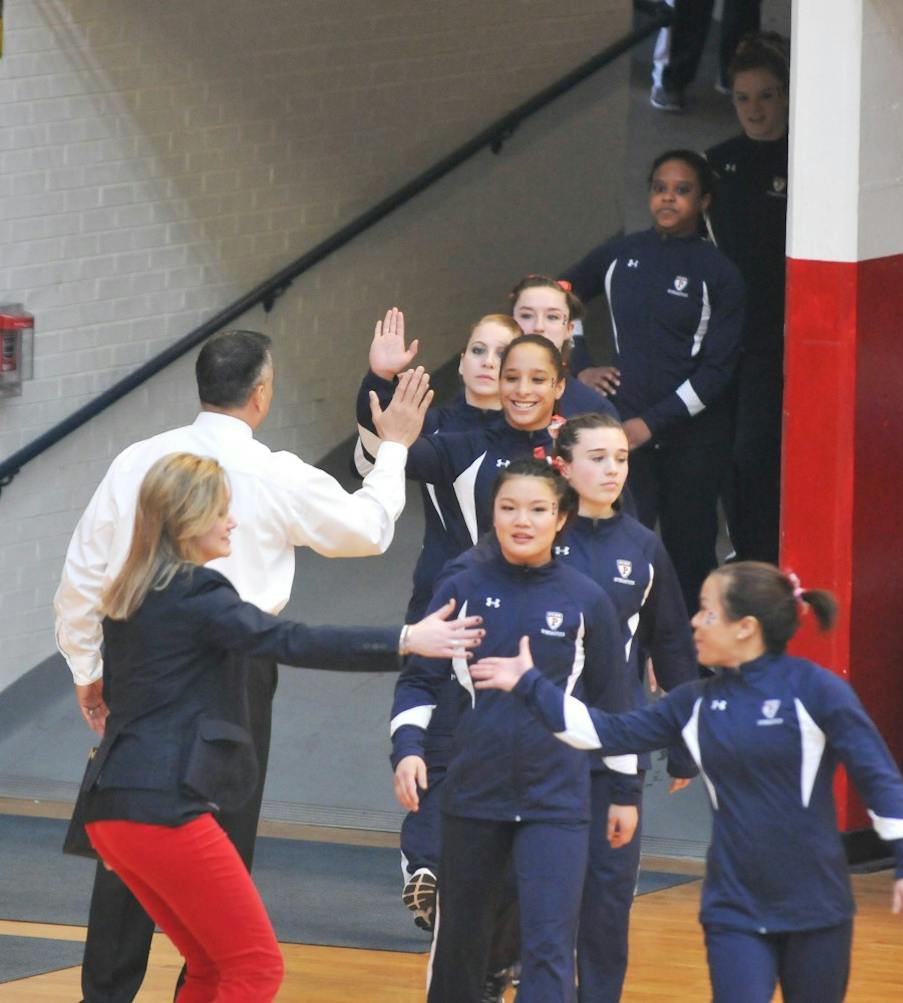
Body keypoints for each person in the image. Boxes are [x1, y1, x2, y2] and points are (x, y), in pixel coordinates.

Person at [54, 329, 442, 1003]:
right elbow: (367, 530)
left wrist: (87, 668)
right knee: (217, 868)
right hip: (234, 666)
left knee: (135, 856)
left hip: (134, 662)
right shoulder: (268, 475)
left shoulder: (137, 462)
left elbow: (82, 578)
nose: (230, 522)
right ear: (262, 394)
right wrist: (395, 449)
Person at [472, 561, 903, 1003]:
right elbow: (605, 734)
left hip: (818, 908)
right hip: (734, 907)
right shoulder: (693, 703)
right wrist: (530, 684)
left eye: (708, 611)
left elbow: (878, 775)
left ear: (745, 627)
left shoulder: (817, 690)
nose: (694, 622)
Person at [391, 458, 635, 1003]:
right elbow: (418, 682)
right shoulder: (462, 587)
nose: (522, 520)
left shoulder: (586, 599)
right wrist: (408, 750)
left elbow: (614, 708)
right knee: (460, 945)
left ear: (562, 517)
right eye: (508, 508)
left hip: (558, 800)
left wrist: (624, 792)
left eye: (538, 509)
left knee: (548, 948)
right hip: (473, 795)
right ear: (492, 515)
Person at [553, 412, 699, 1002]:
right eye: (597, 457)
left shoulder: (642, 546)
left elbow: (672, 642)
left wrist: (684, 745)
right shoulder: (535, 533)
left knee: (608, 900)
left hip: (616, 747)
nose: (612, 469)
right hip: (539, 744)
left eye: (621, 458)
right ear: (562, 465)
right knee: (543, 898)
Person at [564, 150, 745, 615]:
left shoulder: (719, 273)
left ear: (704, 200)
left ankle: (696, 663)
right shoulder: (620, 254)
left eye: (682, 190)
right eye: (660, 188)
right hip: (625, 438)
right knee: (619, 548)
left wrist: (650, 423)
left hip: (694, 440)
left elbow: (716, 373)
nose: (668, 198)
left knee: (690, 553)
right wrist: (580, 364)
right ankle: (622, 656)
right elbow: (558, 295)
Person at [355, 309, 519, 623]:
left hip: (513, 593)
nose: (487, 361)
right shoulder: (429, 424)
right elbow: (381, 435)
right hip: (439, 587)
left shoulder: (531, 435)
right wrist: (380, 377)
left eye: (502, 354)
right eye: (478, 350)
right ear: (461, 361)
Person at [706, 33, 790, 564]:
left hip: (774, 336)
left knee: (755, 448)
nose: (754, 109)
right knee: (723, 453)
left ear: (784, 95)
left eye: (765, 96)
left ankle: (766, 550)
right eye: (743, 98)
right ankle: (744, 547)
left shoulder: (809, 162)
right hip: (723, 337)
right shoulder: (718, 164)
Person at [509, 275, 619, 420]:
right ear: (510, 323)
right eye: (527, 315)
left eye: (552, 317)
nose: (538, 327)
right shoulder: (483, 391)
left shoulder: (594, 409)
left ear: (569, 329)